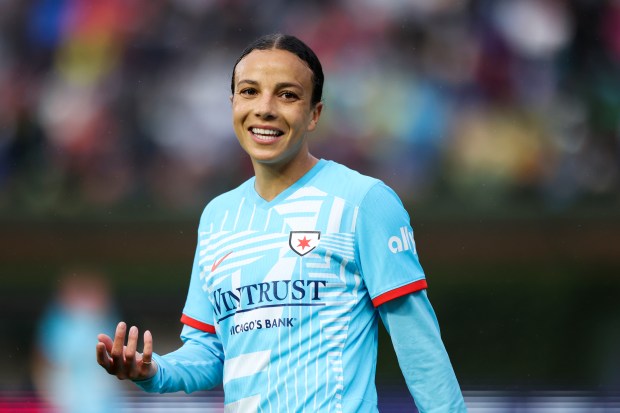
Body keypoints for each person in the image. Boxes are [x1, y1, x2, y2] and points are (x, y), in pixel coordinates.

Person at [96, 33, 467, 412]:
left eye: (287, 95)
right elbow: (209, 351)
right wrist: (151, 371)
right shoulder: (218, 217)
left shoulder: (364, 202)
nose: (265, 109)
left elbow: (420, 348)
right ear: (233, 104)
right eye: (250, 91)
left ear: (314, 114)